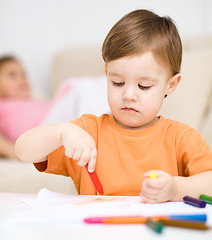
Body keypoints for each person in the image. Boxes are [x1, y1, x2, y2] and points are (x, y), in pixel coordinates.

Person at [15, 9, 212, 203]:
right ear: (107, 74)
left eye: (144, 86)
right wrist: (62, 131)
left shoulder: (182, 138)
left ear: (171, 85)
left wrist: (175, 189)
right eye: (117, 83)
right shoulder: (88, 132)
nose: (128, 95)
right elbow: (22, 150)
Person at [0, 56, 51, 158]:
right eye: (12, 75)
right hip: (44, 135)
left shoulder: (38, 100)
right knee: (81, 87)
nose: (21, 79)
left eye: (24, 75)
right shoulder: (2, 104)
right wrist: (13, 151)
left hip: (64, 124)